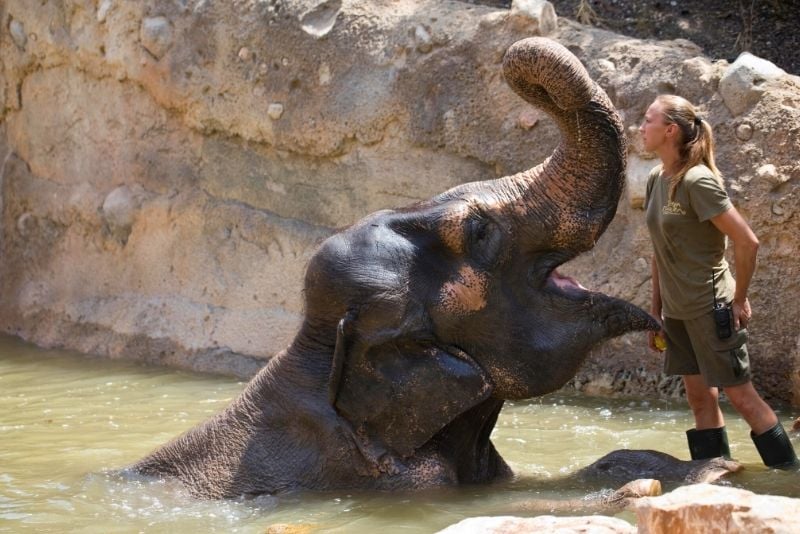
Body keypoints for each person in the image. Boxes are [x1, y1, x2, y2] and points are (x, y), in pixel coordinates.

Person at [640, 94, 797, 469]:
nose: (640, 128)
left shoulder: (698, 181)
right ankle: (715, 480)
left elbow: (748, 241)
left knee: (742, 397)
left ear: (670, 130)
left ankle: (789, 476)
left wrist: (739, 300)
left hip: (711, 308)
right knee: (699, 399)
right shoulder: (655, 179)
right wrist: (656, 311)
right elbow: (661, 251)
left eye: (648, 120)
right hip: (677, 314)